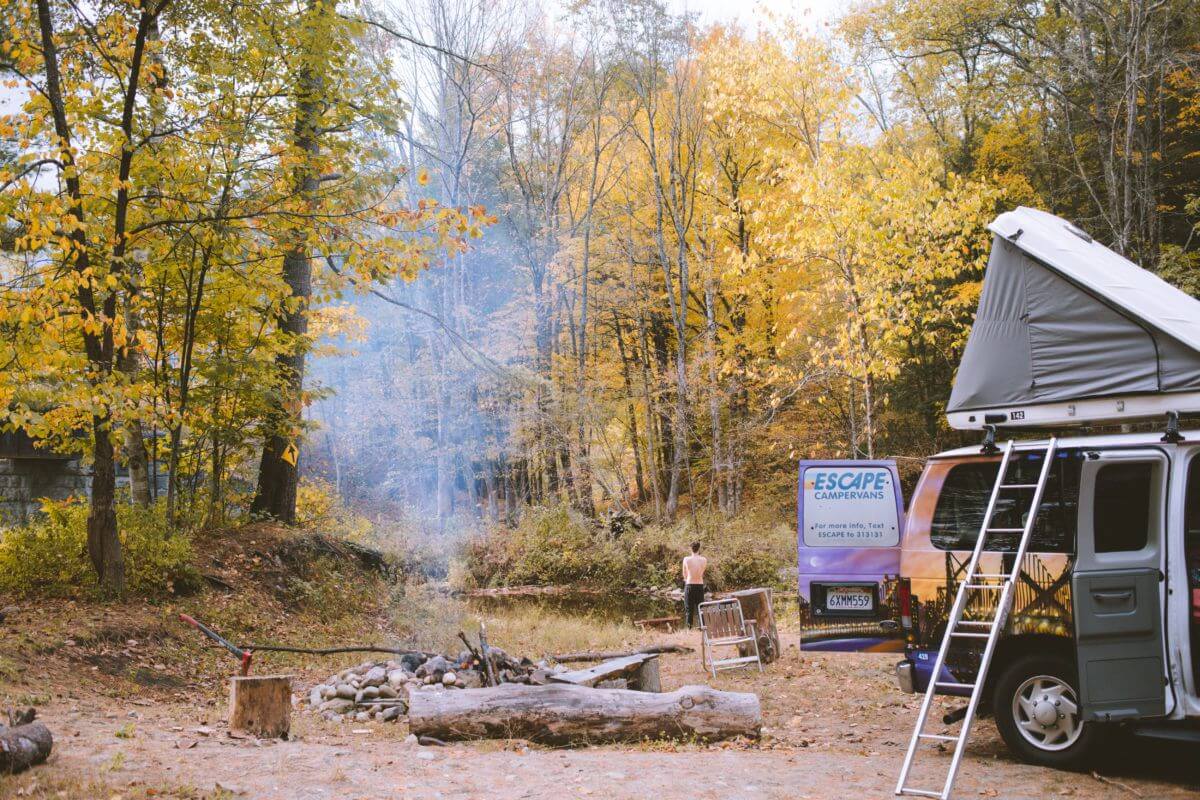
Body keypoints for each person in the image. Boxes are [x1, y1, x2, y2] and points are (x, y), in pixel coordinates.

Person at [682, 541, 707, 628]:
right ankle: (702, 628)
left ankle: (689, 628)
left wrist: (687, 580)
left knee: (689, 609)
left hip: (690, 584)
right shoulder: (704, 560)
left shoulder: (686, 559)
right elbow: (702, 572)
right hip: (699, 585)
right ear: (699, 549)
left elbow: (684, 574)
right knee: (701, 608)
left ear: (691, 549)